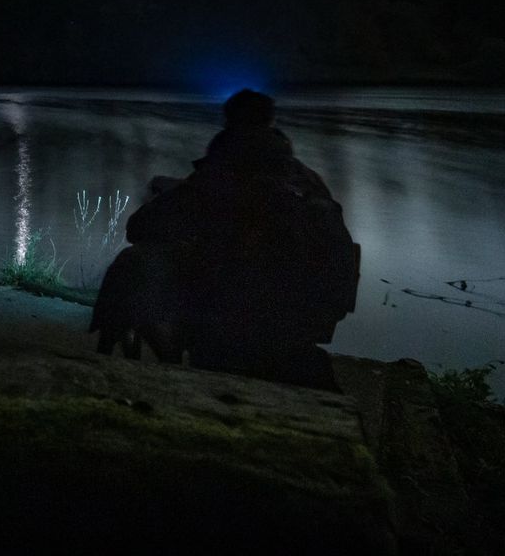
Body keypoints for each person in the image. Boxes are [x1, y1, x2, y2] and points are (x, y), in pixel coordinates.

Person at [89, 89, 358, 391]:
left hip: (229, 320)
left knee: (137, 263)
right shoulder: (307, 181)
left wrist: (180, 211)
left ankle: (152, 369)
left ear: (229, 122)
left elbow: (138, 227)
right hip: (304, 321)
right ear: (271, 121)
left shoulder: (219, 177)